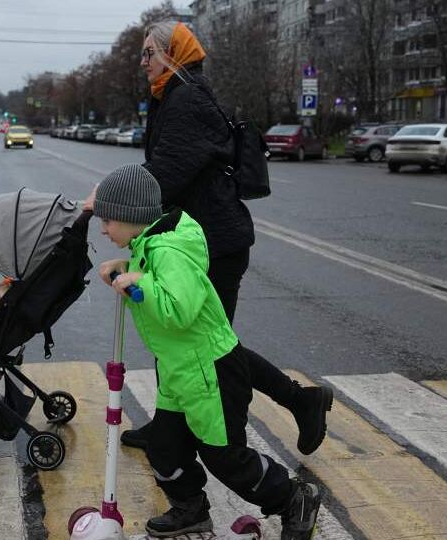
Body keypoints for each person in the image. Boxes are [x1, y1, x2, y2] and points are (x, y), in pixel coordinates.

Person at [86, 20, 333, 456]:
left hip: (212, 244)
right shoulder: (171, 95)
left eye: (149, 53)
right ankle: (168, 427)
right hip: (187, 239)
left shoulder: (188, 98)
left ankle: (300, 400)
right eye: (141, 54)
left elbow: (168, 170)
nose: (142, 62)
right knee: (178, 336)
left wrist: (111, 197)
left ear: (172, 54)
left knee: (212, 348)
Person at [93, 164, 320, 539]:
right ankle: (190, 509)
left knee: (225, 456)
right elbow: (155, 280)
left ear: (132, 217)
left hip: (210, 370)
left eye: (108, 221)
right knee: (163, 449)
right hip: (181, 371)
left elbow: (179, 311)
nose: (103, 229)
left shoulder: (169, 250)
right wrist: (129, 267)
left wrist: (138, 281)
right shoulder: (149, 243)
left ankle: (292, 497)